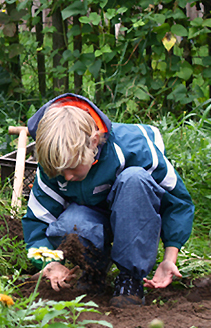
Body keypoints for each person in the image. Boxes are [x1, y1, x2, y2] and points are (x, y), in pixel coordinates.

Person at [21, 93, 195, 307]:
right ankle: (93, 271)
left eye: (73, 168)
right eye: (60, 171)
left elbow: (177, 202)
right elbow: (38, 220)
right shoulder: (54, 163)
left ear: (93, 142)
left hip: (135, 218)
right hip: (92, 221)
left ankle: (130, 277)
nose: (67, 177)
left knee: (135, 179)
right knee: (69, 223)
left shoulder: (134, 148)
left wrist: (170, 258)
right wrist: (50, 262)